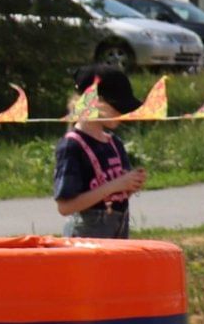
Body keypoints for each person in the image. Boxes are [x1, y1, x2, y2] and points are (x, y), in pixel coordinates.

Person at [53, 65, 147, 238]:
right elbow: (65, 207)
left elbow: (116, 194)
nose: (123, 113)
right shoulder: (72, 146)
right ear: (95, 103)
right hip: (84, 242)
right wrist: (117, 184)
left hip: (118, 232)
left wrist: (130, 184)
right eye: (118, 107)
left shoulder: (114, 143)